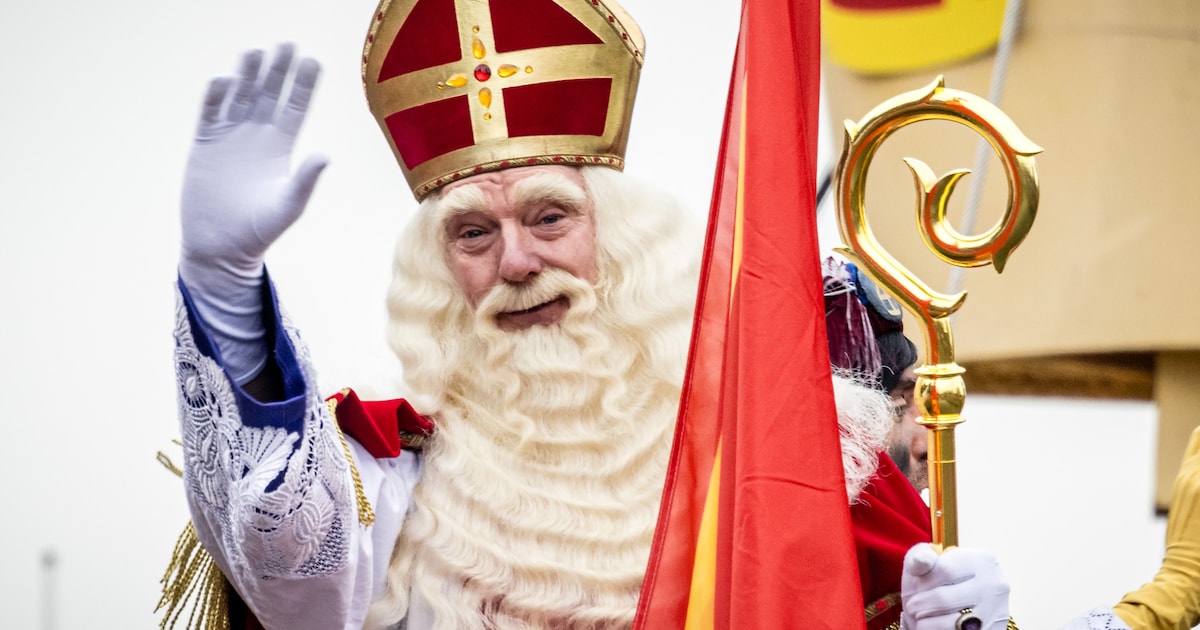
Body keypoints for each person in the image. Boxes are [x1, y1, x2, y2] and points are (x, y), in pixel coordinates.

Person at [162, 1, 1198, 629]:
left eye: (550, 217)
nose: (516, 262)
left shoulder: (799, 465)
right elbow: (285, 571)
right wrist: (224, 287)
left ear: (625, 240)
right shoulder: (387, 480)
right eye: (472, 234)